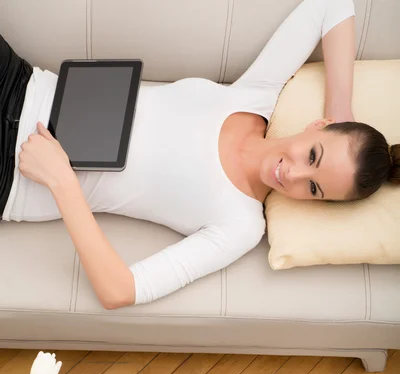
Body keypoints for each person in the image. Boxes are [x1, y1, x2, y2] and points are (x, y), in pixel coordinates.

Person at [1, 0, 399, 309]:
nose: (291, 175)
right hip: (22, 82)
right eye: (312, 155)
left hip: (14, 174)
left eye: (314, 189)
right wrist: (342, 112)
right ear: (318, 126)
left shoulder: (240, 226)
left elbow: (120, 290)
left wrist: (61, 181)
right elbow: (330, 6)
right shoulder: (256, 95)